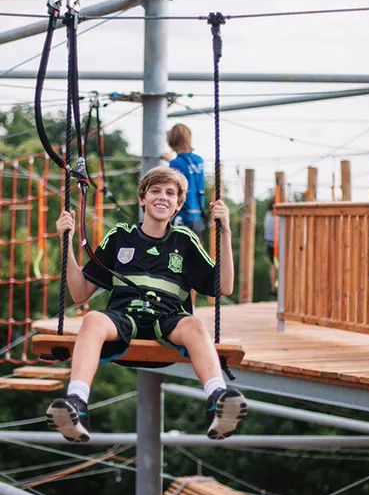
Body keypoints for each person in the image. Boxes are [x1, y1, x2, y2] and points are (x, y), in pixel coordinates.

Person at [46, 166, 247, 443]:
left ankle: (218, 398)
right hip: (123, 317)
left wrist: (224, 232)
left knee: (196, 324)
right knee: (92, 319)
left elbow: (224, 286)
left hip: (168, 319)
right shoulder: (120, 237)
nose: (162, 197)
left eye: (170, 193)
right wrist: (66, 242)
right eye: (155, 191)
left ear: (178, 204)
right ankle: (77, 402)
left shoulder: (184, 241)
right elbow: (80, 292)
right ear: (142, 198)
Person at [165, 124, 207, 235]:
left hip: (182, 216)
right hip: (197, 216)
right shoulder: (199, 160)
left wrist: (171, 162)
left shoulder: (175, 163)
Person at [263, 199, 278, 297]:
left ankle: (274, 287)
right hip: (276, 245)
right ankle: (275, 286)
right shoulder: (275, 218)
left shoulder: (267, 215)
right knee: (276, 266)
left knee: (274, 265)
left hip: (270, 244)